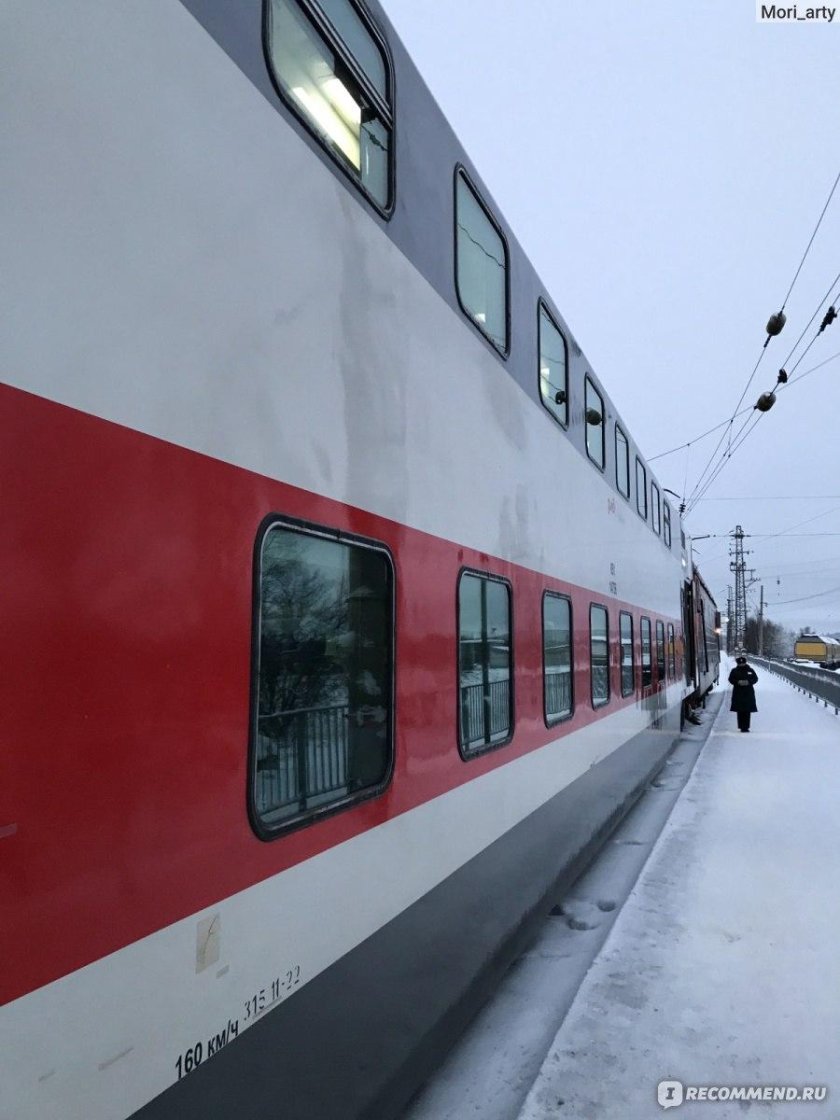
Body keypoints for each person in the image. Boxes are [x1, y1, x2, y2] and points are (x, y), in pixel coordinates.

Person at [728, 655, 758, 732]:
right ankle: (741, 726)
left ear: (745, 663)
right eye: (740, 663)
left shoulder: (750, 670)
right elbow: (731, 679)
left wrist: (748, 682)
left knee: (747, 710)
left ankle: (746, 727)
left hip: (748, 693)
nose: (741, 664)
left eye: (743, 663)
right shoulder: (734, 671)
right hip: (738, 693)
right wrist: (737, 682)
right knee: (740, 710)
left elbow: (755, 678)